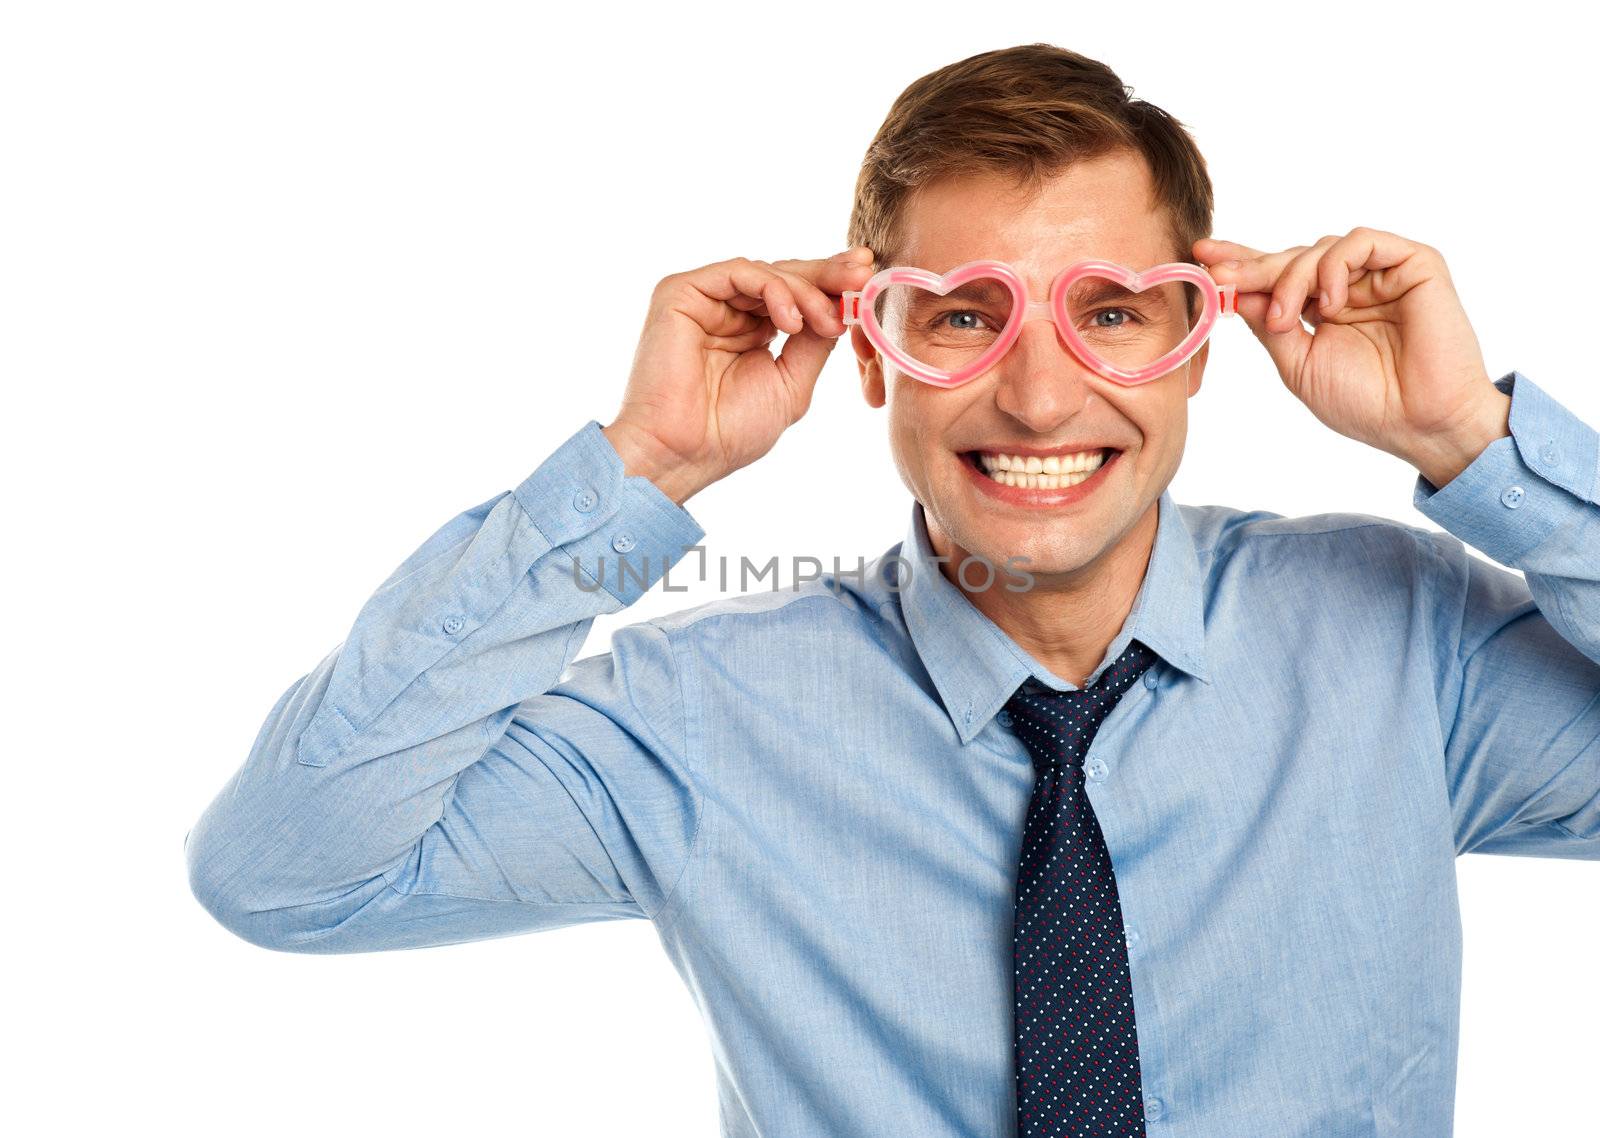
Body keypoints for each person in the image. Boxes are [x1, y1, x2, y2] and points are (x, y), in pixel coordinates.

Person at [184, 43, 1599, 1137]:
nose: (1042, 397)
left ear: (1194, 345)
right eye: (965, 317)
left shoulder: (1409, 641)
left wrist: (1475, 442)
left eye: (1109, 311)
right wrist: (645, 466)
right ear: (871, 355)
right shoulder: (700, 716)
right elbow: (287, 870)